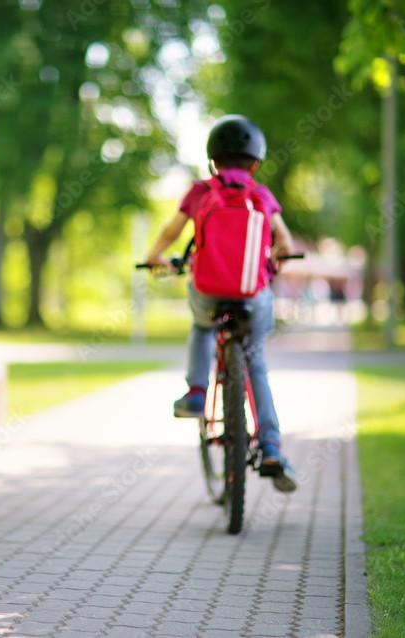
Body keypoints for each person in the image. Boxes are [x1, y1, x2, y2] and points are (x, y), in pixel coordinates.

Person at [143, 114, 298, 493]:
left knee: (201, 326)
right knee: (256, 363)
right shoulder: (261, 196)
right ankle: (273, 446)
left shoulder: (200, 193)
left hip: (209, 290)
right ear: (255, 163)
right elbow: (286, 245)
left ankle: (197, 393)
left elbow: (172, 231)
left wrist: (155, 256)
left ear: (213, 160)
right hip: (253, 294)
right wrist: (276, 254)